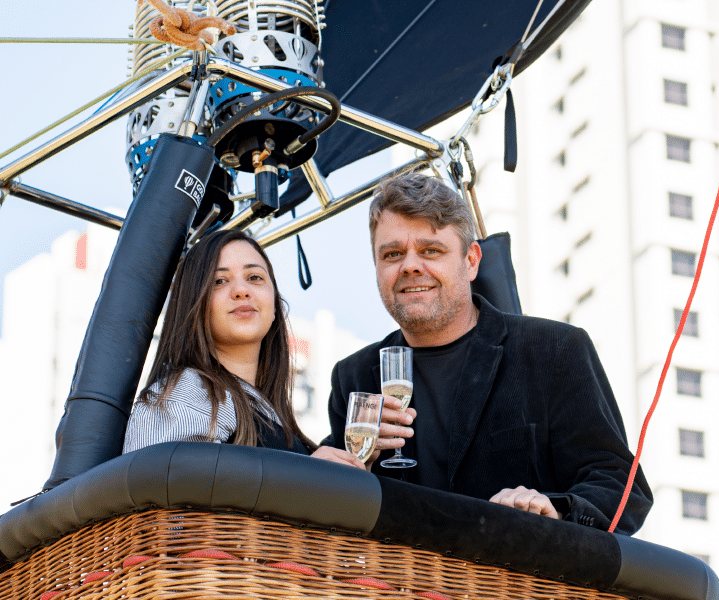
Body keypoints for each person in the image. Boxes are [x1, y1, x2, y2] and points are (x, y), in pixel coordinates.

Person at [325, 173, 652, 534]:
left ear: (471, 260)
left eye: (431, 250)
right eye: (392, 254)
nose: (411, 265)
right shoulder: (353, 378)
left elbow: (621, 486)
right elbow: (335, 501)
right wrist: (336, 468)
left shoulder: (554, 350)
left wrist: (555, 509)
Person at [123, 229, 364, 470]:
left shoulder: (266, 411)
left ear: (275, 306)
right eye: (219, 281)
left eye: (255, 278)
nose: (242, 290)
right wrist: (306, 477)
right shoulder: (186, 393)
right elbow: (168, 498)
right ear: (193, 303)